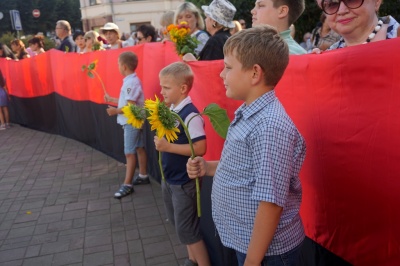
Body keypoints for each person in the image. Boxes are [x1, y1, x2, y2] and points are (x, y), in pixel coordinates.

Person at [187, 25, 306, 266]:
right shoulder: (249, 112)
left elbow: (271, 203)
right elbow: (245, 168)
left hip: (268, 253)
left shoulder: (270, 127)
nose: (222, 74)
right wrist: (208, 168)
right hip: (250, 244)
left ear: (254, 74)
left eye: (228, 67)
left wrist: (252, 262)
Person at [155, 62, 210, 266]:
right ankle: (192, 259)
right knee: (181, 226)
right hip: (170, 179)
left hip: (184, 182)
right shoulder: (172, 109)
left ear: (183, 89)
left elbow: (201, 147)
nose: (162, 91)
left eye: (166, 87)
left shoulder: (190, 114)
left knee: (188, 229)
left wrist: (167, 147)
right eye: (162, 86)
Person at [104, 51, 149, 198]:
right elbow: (127, 101)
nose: (117, 67)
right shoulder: (131, 81)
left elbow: (130, 107)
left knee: (129, 153)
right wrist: (112, 98)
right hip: (134, 121)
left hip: (131, 122)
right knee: (139, 147)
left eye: (118, 64)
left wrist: (116, 111)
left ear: (123, 66)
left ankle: (127, 184)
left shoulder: (131, 82)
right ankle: (143, 175)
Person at [316, 0, 399, 50]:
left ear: (377, 1)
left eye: (352, 0)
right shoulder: (329, 56)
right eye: (331, 4)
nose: (342, 11)